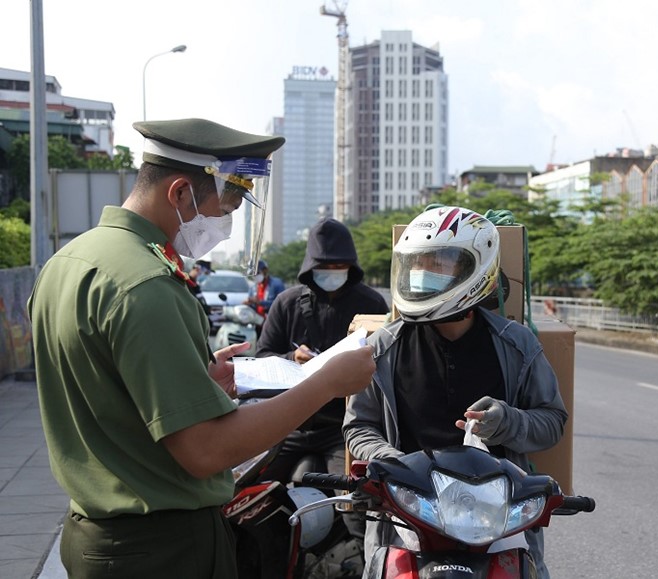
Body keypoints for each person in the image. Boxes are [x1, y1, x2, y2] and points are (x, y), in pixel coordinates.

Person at [27, 117, 376, 579]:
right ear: (178, 193)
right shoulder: (146, 285)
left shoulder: (69, 263)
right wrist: (326, 383)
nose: (227, 222)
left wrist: (197, 381)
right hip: (161, 549)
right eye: (226, 203)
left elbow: (109, 392)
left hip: (99, 536)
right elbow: (206, 451)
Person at [343, 206, 567, 579]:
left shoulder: (517, 345)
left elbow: (553, 421)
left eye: (441, 264)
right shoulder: (381, 348)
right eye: (419, 264)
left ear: (477, 270)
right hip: (407, 510)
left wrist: (506, 421)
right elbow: (358, 427)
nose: (424, 274)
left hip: (495, 515)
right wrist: (394, 463)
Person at [255, 217, 389, 484]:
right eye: (325, 267)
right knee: (251, 488)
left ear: (351, 266)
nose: (332, 272)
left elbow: (388, 363)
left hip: (341, 427)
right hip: (288, 422)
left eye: (339, 266)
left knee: (354, 497)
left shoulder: (371, 304)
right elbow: (262, 357)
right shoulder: (286, 303)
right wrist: (292, 358)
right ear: (311, 267)